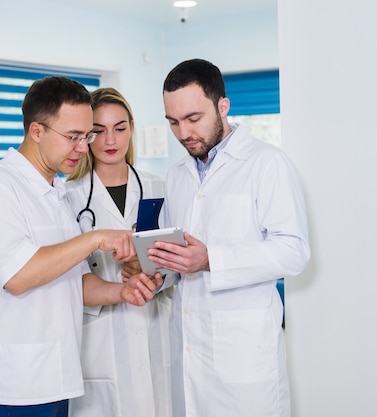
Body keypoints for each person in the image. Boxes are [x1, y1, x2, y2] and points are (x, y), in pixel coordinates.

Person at [0, 76, 162, 417]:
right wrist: (95, 238)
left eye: (87, 136)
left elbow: (75, 282)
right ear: (37, 131)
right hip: (12, 382)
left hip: (56, 376)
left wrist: (120, 292)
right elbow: (19, 275)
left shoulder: (55, 194)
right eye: (74, 137)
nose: (84, 148)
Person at [147, 59, 311, 417]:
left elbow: (294, 251)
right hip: (190, 353)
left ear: (223, 106)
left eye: (193, 118)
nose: (183, 132)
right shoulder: (176, 175)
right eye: (173, 122)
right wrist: (155, 274)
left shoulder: (268, 164)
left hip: (244, 361)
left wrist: (211, 259)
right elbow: (176, 253)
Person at [65, 87, 172, 417]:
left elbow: (178, 262)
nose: (110, 139)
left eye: (120, 128)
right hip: (98, 338)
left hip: (154, 325)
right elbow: (67, 277)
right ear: (86, 135)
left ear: (132, 129)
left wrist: (153, 272)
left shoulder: (159, 186)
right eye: (98, 130)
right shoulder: (68, 196)